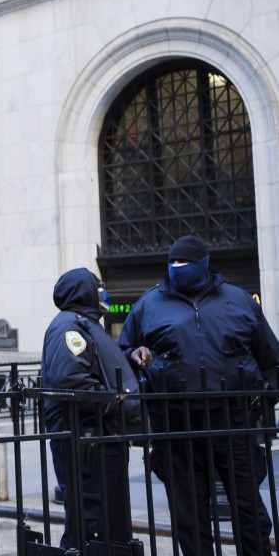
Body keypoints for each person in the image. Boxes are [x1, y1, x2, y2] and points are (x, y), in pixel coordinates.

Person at [119, 235, 279, 556]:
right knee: (188, 512)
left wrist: (260, 404)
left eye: (185, 263)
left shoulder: (240, 300)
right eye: (173, 263)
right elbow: (123, 355)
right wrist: (135, 354)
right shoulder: (148, 304)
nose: (178, 268)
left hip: (232, 420)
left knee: (248, 507)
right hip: (176, 424)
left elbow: (271, 361)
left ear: (204, 264)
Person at [40, 268, 139, 550]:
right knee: (90, 521)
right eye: (99, 286)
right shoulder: (70, 327)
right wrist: (114, 403)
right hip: (87, 440)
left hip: (100, 437)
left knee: (108, 518)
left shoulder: (88, 325)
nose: (103, 291)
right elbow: (71, 380)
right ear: (84, 290)